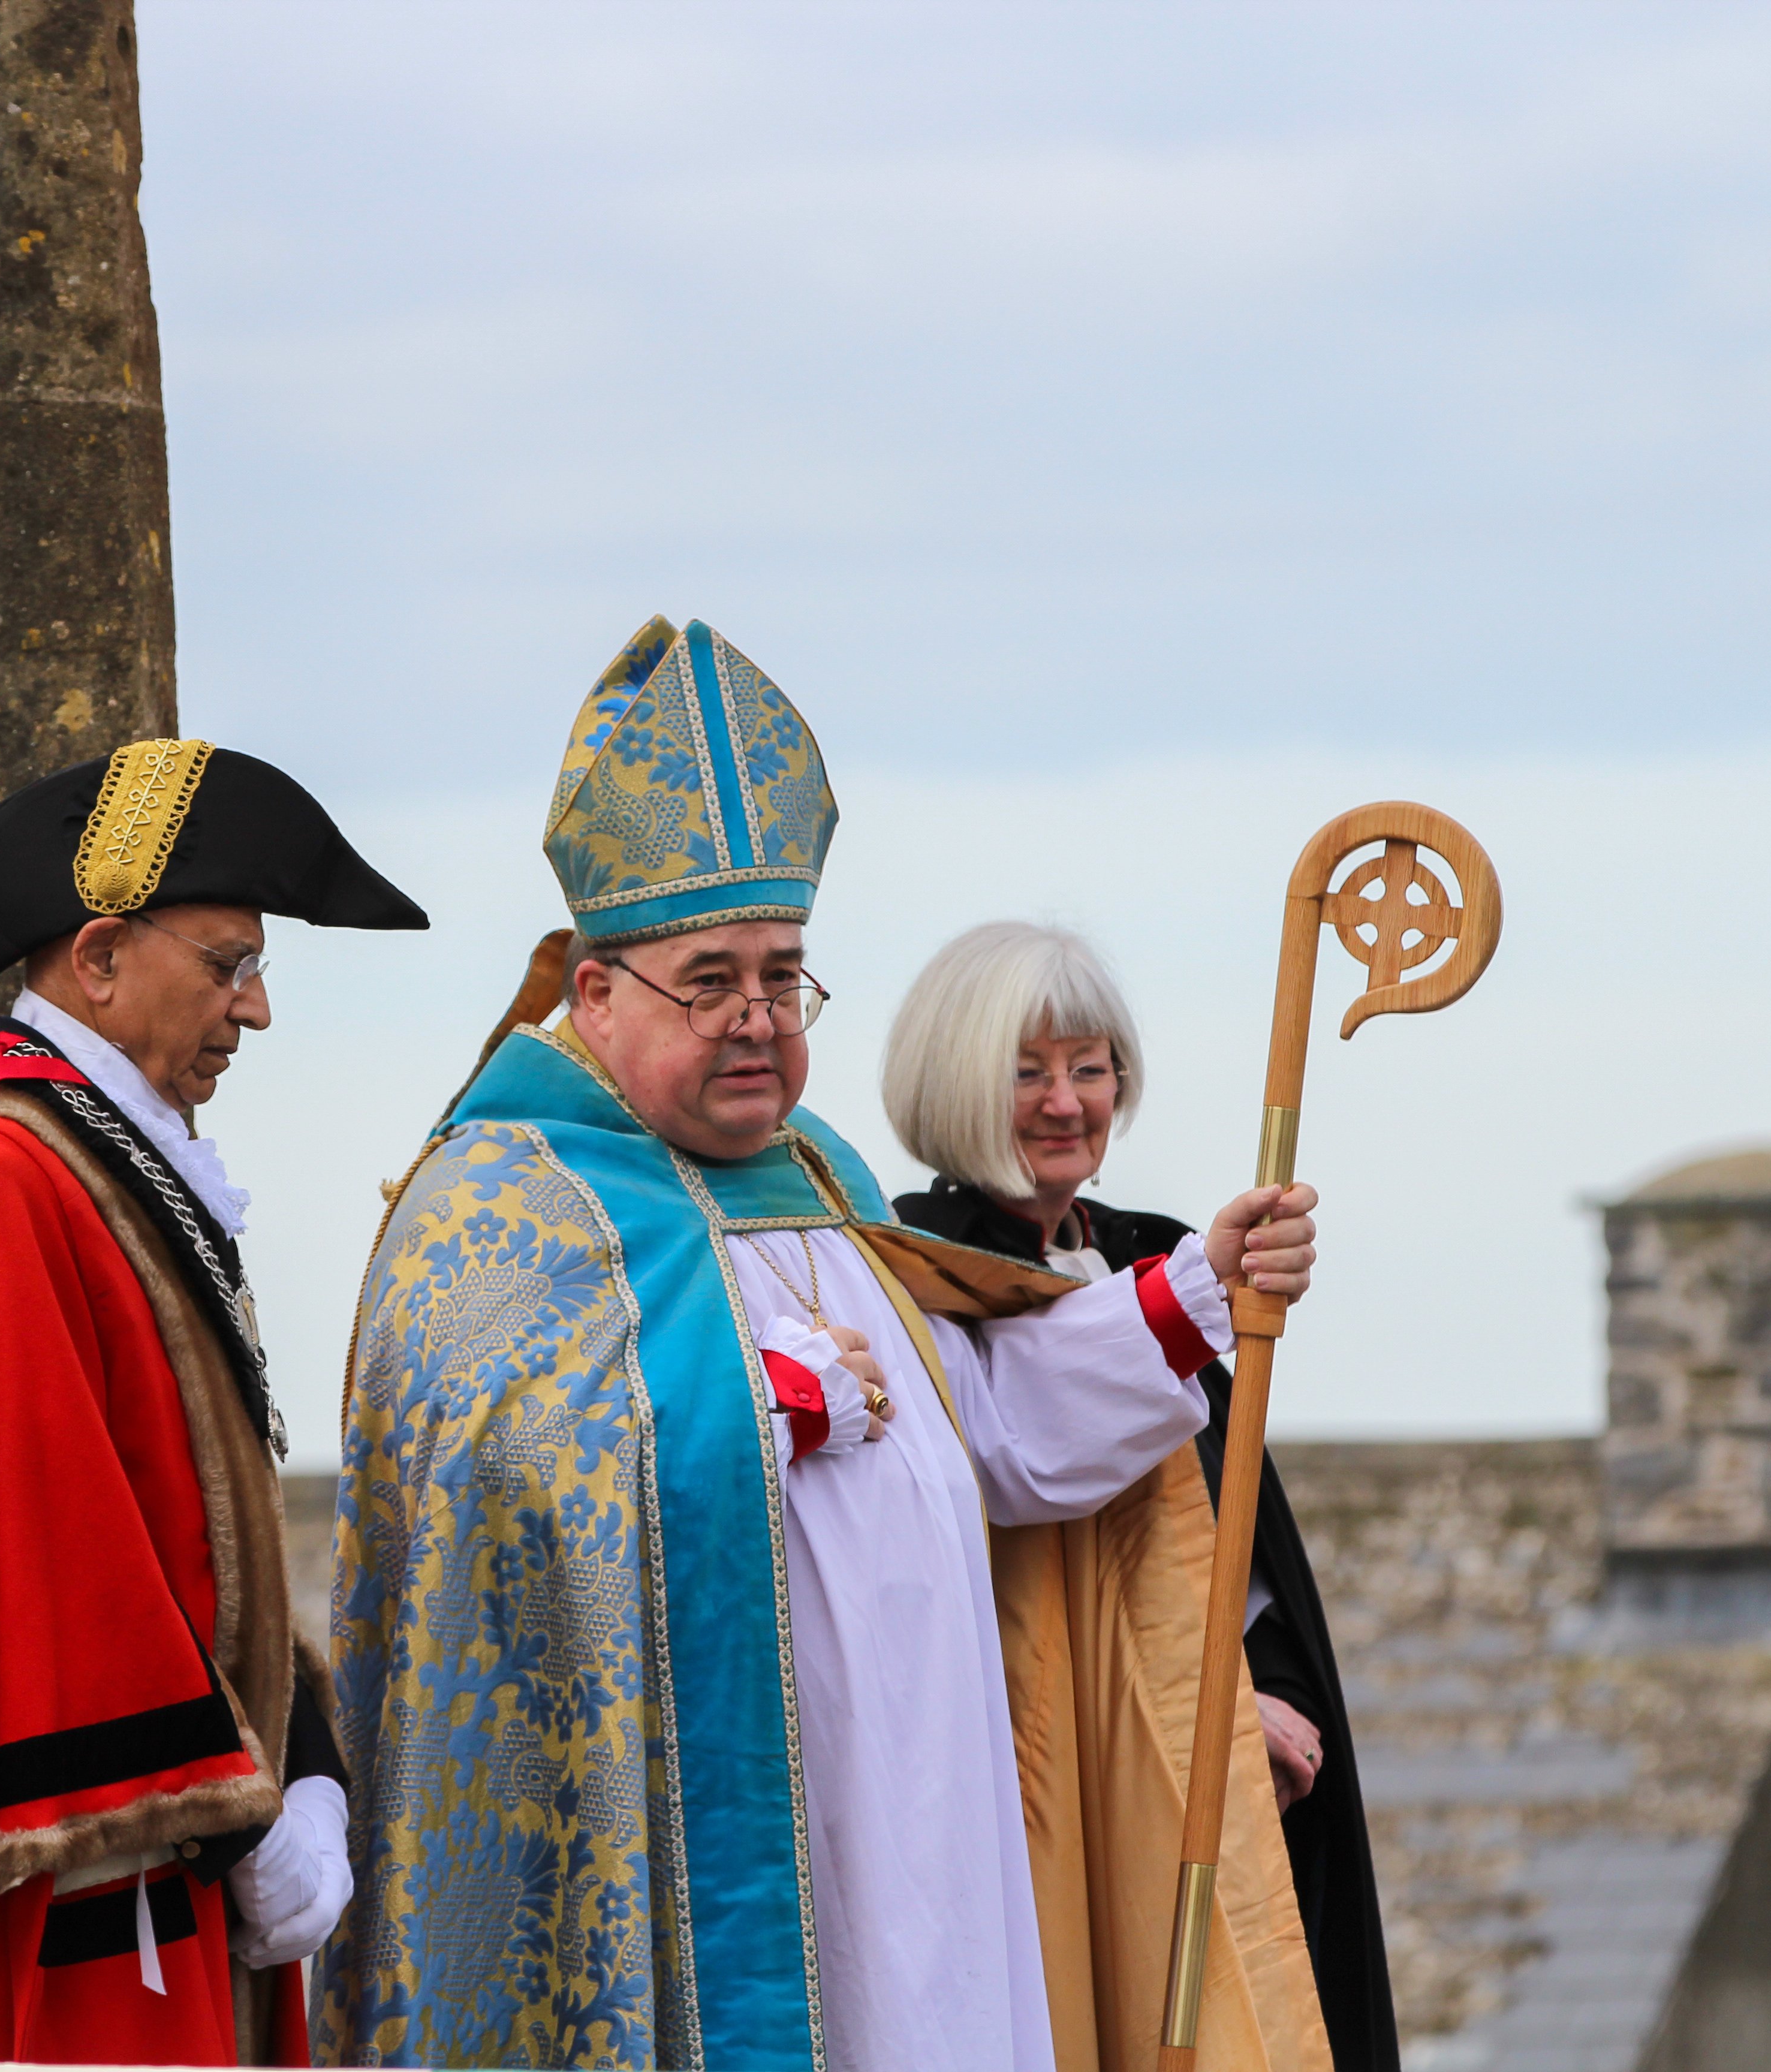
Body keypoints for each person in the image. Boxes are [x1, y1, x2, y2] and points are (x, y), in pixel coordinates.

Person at [323, 618, 1329, 2072]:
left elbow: (973, 1430)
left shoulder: (823, 1175)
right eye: (710, 978)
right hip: (710, 1842)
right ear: (592, 992)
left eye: (784, 976)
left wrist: (1183, 1298)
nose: (757, 1021)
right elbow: (490, 1471)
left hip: (931, 1823)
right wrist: (763, 1401)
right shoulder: (500, 1197)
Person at [0, 739, 426, 2065]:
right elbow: (42, 1566)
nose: (257, 1009)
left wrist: (300, 1759)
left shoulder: (75, 1161)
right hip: (59, 1926)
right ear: (100, 959)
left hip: (156, 1878)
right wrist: (240, 1814)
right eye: (229, 963)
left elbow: (185, 1530)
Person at [886, 920, 1399, 2072]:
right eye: (1026, 1070)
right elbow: (1022, 1456)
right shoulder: (910, 1277)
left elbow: (1222, 1539)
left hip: (1206, 1776)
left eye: (1090, 1067)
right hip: (1037, 1776)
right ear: (956, 1083)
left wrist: (1263, 1689)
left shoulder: (1139, 1252)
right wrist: (1192, 1293)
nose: (1066, 1101)